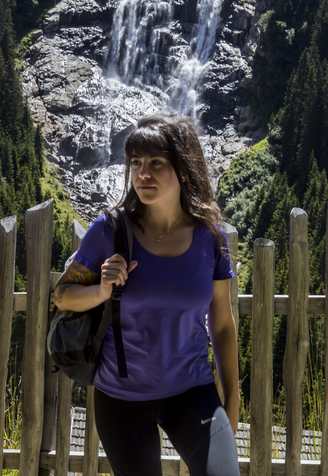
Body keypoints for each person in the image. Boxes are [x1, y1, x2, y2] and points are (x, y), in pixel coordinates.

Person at [53, 115, 241, 476]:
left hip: (193, 392)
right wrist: (101, 290)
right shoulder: (109, 230)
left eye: (156, 163)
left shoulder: (211, 237)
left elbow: (222, 322)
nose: (143, 173)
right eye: (136, 163)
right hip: (122, 398)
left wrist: (231, 399)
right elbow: (62, 295)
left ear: (183, 171)